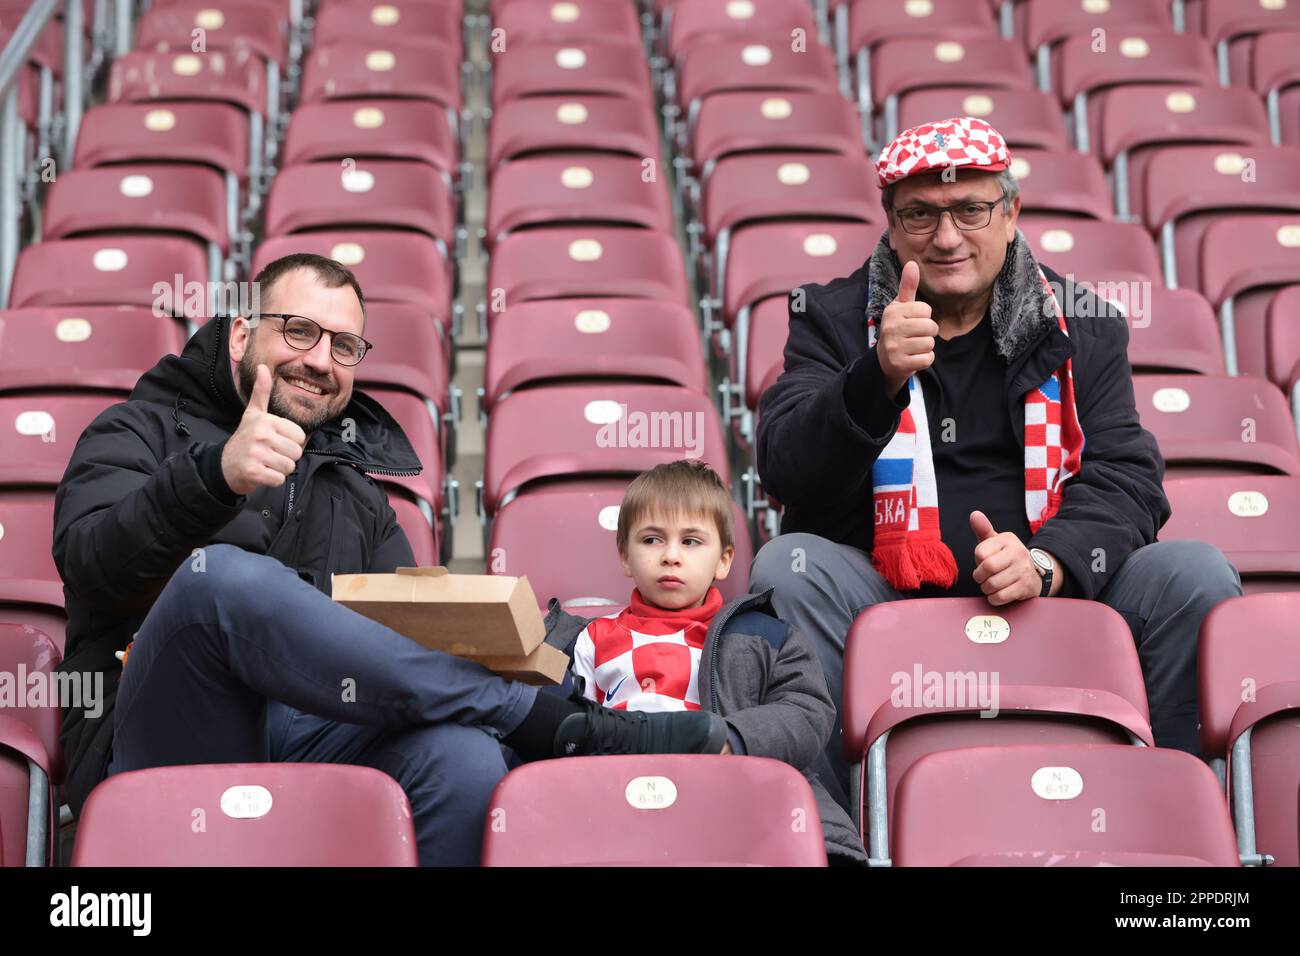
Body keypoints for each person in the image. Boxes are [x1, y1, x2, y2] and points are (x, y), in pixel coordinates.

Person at [53, 253, 729, 866]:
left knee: (459, 755)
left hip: (315, 735)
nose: (320, 360)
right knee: (220, 580)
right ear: (239, 335)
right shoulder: (135, 430)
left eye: (343, 345)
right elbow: (90, 565)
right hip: (169, 736)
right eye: (299, 331)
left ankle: (540, 717)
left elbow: (406, 650)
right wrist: (214, 475)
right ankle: (549, 722)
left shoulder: (363, 500)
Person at [749, 117, 1242, 809]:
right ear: (891, 224)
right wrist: (874, 376)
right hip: (885, 594)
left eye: (970, 210)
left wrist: (1047, 563)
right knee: (787, 570)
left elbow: (1127, 477)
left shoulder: (1081, 321)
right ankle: (831, 831)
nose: (946, 238)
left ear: (1010, 214)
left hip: (1051, 593)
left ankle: (1167, 815)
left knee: (1192, 572)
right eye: (920, 214)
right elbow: (786, 472)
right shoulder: (832, 317)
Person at [540, 460, 869, 864]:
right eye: (651, 540)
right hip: (614, 798)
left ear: (724, 560)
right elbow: (555, 718)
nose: (671, 556)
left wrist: (734, 739)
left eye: (691, 542)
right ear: (624, 556)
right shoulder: (586, 638)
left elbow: (808, 711)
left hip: (732, 798)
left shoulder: (764, 636)